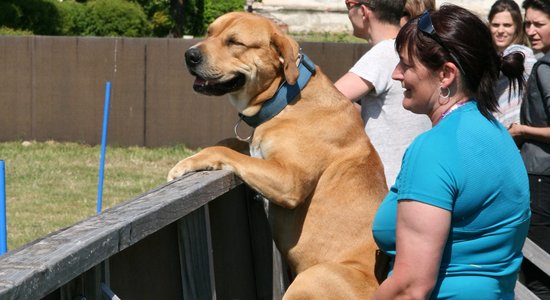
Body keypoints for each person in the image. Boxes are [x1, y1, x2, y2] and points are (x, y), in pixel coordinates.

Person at [372, 5, 531, 299]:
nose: (396, 74)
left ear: (445, 74)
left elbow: (410, 286)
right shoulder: (499, 136)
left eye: (406, 65)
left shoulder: (435, 148)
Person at [335, 0, 431, 187]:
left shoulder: (384, 51)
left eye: (348, 5)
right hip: (413, 177)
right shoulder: (409, 47)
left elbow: (328, 100)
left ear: (363, 12)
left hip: (386, 183)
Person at [509, 0, 550, 298]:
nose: (532, 31)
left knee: (538, 272)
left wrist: (521, 130)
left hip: (540, 176)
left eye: (540, 24)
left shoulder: (545, 68)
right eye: (528, 24)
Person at [489, 0, 537, 127]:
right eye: (495, 25)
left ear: (517, 27)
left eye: (507, 25)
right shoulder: (493, 57)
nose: (500, 30)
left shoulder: (523, 53)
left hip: (519, 132)